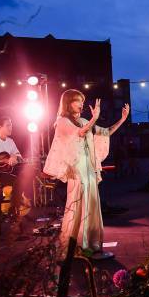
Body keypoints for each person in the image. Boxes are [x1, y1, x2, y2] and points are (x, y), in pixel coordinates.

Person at [43, 89, 129, 259]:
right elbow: (79, 133)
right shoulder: (62, 121)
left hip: (88, 167)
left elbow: (105, 133)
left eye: (82, 101)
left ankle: (91, 244)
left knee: (92, 203)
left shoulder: (84, 120)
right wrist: (93, 119)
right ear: (68, 103)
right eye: (77, 101)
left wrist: (122, 119)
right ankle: (77, 246)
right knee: (79, 204)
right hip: (76, 169)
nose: (81, 104)